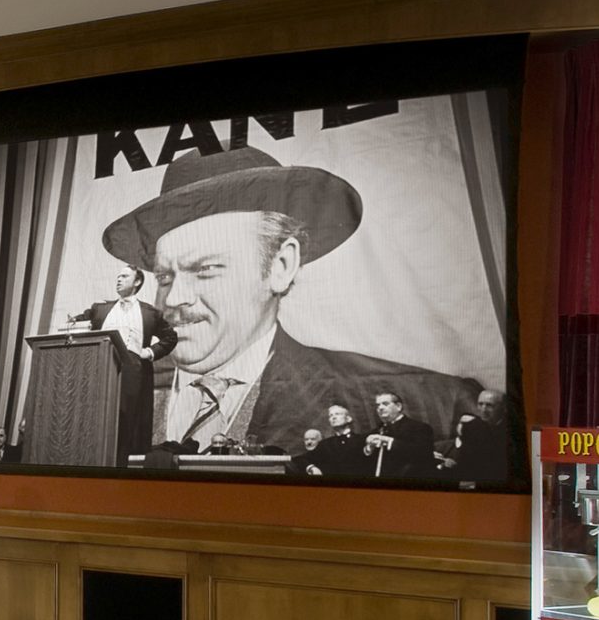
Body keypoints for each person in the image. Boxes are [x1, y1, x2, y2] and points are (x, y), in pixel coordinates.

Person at [100, 145, 476, 453]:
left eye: (206, 270)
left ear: (281, 265)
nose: (174, 298)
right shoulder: (106, 397)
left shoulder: (438, 405)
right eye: (165, 276)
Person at [66, 264, 175, 460]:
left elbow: (170, 338)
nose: (118, 279)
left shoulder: (150, 313)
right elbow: (74, 325)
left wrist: (149, 352)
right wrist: (70, 325)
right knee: (96, 419)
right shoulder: (99, 309)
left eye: (124, 276)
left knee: (127, 424)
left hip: (133, 376)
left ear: (137, 281)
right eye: (118, 276)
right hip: (100, 372)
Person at [362, 391, 435, 480]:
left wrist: (390, 441)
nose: (380, 408)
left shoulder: (419, 428)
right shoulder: (375, 431)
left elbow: (423, 454)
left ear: (398, 406)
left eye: (385, 404)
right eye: (378, 405)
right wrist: (369, 448)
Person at [447, 387, 514, 482]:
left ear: (503, 408)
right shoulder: (472, 426)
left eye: (489, 405)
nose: (483, 410)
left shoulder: (509, 431)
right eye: (480, 404)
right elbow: (466, 459)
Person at [310, 402, 365, 480]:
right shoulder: (324, 445)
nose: (333, 417)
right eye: (331, 415)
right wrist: (311, 468)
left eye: (337, 414)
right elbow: (304, 458)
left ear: (348, 418)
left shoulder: (361, 440)